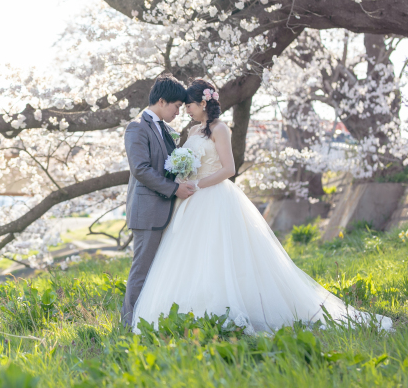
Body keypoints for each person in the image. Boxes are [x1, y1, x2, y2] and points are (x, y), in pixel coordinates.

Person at [131, 79, 392, 333]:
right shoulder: (191, 131)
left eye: (189, 104)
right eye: (182, 105)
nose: (185, 110)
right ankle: (189, 307)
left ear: (203, 103)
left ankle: (227, 306)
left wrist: (198, 184)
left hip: (213, 197)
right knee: (189, 256)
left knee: (219, 253)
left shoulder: (220, 129)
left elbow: (229, 169)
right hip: (190, 201)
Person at [121, 75, 196, 326]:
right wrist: (174, 188)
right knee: (142, 269)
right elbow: (140, 169)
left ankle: (151, 319)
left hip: (165, 210)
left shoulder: (165, 129)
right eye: (176, 106)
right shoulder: (137, 128)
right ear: (162, 101)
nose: (178, 111)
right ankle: (129, 324)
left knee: (158, 269)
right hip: (147, 211)